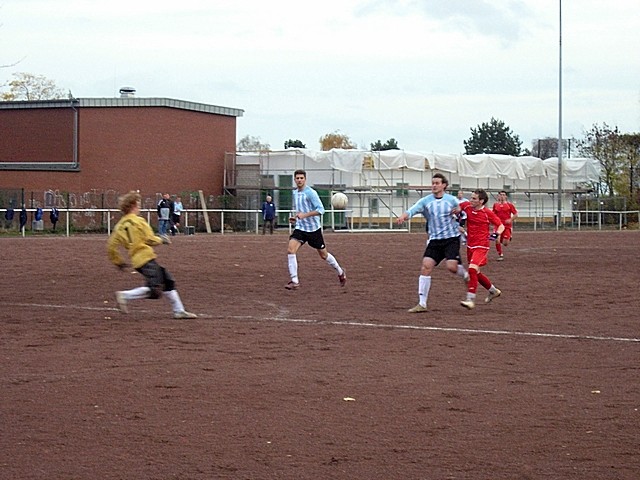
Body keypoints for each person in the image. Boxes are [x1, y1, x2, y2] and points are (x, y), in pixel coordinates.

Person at [107, 191, 197, 319]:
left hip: (137, 260)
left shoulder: (119, 226)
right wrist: (162, 240)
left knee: (167, 280)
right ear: (133, 206)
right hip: (145, 257)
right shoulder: (139, 221)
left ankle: (179, 310)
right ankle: (124, 295)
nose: (139, 208)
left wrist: (117, 261)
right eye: (138, 205)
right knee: (155, 289)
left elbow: (111, 246)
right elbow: (149, 239)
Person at [396, 173, 469, 313]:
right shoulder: (426, 201)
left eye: (437, 183)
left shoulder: (452, 200)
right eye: (433, 183)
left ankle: (465, 275)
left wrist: (460, 213)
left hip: (451, 239)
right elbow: (412, 210)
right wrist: (403, 217)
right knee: (426, 267)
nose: (434, 186)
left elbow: (463, 213)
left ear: (444, 185)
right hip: (435, 240)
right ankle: (422, 304)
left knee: (452, 267)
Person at [285, 169, 346, 290]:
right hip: (301, 228)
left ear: (305, 179)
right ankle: (294, 280)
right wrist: (296, 218)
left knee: (324, 255)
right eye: (297, 178)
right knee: (290, 250)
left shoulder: (311, 193)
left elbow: (321, 210)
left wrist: (305, 215)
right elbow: (300, 210)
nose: (299, 180)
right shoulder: (295, 193)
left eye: (301, 178)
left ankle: (340, 271)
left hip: (313, 230)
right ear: (294, 180)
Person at [456, 189, 504, 310]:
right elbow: (455, 207)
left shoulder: (487, 213)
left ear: (481, 201)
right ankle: (493, 290)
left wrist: (497, 233)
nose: (471, 200)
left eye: (474, 198)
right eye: (471, 198)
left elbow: (500, 225)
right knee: (476, 272)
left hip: (482, 246)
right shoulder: (467, 207)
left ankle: (470, 299)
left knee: (472, 269)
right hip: (470, 245)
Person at [492, 190, 518, 261]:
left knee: (505, 243)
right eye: (501, 195)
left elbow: (516, 214)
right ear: (498, 196)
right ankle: (500, 255)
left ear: (506, 196)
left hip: (507, 226)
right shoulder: (495, 205)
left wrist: (510, 219)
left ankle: (509, 236)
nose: (502, 196)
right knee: (497, 239)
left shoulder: (509, 205)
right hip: (498, 225)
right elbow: (493, 214)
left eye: (503, 195)